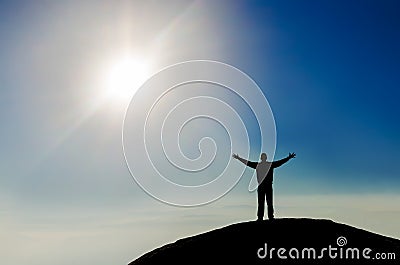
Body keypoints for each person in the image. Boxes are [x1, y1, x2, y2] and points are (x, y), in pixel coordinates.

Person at [232, 152, 296, 221]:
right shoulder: (269, 165)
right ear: (265, 158)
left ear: (261, 158)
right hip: (267, 186)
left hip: (261, 186)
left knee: (262, 203)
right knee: (268, 202)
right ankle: (269, 217)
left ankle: (261, 218)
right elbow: (280, 162)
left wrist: (238, 158)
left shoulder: (259, 165)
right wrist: (288, 158)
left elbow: (248, 163)